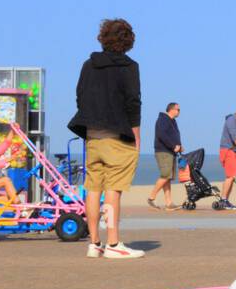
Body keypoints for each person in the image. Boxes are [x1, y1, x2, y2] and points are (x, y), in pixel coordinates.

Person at [68, 18, 144, 259]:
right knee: (113, 188)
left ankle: (94, 243)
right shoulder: (129, 67)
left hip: (93, 135)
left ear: (103, 38)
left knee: (93, 188)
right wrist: (136, 134)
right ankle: (113, 243)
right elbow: (133, 102)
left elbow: (80, 96)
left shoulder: (88, 65)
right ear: (128, 41)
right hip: (117, 135)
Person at [147, 102, 183, 210]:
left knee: (168, 177)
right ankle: (151, 197)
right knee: (166, 175)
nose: (179, 111)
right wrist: (173, 146)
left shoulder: (172, 121)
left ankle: (169, 203)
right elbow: (161, 135)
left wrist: (179, 146)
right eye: (178, 109)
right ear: (171, 109)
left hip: (171, 152)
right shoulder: (163, 120)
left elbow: (174, 136)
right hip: (163, 151)